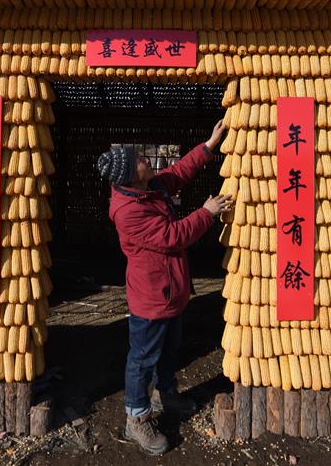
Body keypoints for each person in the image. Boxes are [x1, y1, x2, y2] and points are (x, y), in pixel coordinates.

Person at [96, 120, 233, 455]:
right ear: (131, 175)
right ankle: (136, 418)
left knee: (170, 350)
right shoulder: (129, 211)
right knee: (142, 359)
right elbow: (173, 237)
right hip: (152, 297)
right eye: (139, 160)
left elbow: (178, 172)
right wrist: (207, 213)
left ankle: (165, 394)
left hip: (171, 290)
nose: (145, 159)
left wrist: (209, 145)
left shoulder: (149, 187)